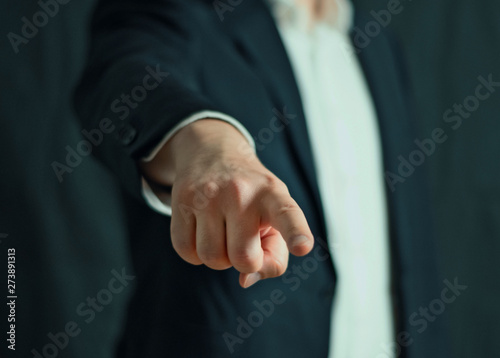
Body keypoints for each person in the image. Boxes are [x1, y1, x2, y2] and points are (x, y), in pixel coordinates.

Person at [75, 0, 449, 356]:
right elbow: (125, 75)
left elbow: (409, 255)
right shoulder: (183, 11)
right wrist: (207, 146)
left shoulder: (379, 44)